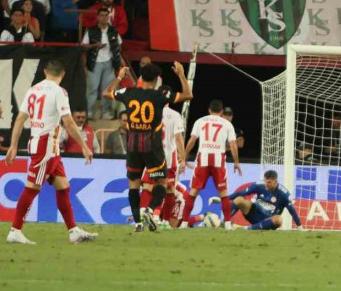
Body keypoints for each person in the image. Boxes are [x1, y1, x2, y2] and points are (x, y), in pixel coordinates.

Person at [4, 60, 97, 244]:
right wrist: (85, 146)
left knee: (63, 186)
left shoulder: (33, 90)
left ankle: (73, 231)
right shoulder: (59, 92)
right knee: (32, 187)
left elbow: (20, 119)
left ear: (45, 71)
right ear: (62, 75)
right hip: (45, 146)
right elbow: (69, 122)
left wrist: (14, 146)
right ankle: (15, 230)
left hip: (47, 147)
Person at [104, 62, 192, 232]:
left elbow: (106, 93)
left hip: (133, 147)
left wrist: (120, 77)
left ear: (141, 78)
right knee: (162, 181)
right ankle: (150, 209)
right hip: (152, 147)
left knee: (134, 185)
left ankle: (138, 223)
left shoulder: (128, 92)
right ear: (157, 80)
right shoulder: (159, 96)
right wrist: (181, 74)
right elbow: (188, 95)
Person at [183, 100, 242, 230]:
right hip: (218, 160)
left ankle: (184, 223)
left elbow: (192, 140)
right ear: (221, 112)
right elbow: (233, 144)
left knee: (193, 191)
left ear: (209, 110)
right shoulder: (227, 124)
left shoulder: (200, 121)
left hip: (203, 158)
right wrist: (236, 162)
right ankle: (227, 224)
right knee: (223, 193)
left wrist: (184, 156)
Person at [140, 88, 186, 227]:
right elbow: (178, 138)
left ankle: (142, 214)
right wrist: (182, 158)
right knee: (170, 189)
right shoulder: (175, 115)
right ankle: (164, 220)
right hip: (169, 159)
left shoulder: (149, 111)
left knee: (148, 186)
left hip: (152, 156)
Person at [217, 170, 303, 231]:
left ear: (275, 182)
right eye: (265, 181)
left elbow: (292, 211)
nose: (266, 184)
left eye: (269, 182)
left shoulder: (284, 194)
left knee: (279, 219)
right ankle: (225, 222)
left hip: (268, 221)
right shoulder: (259, 185)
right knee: (239, 199)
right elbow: (242, 193)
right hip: (253, 213)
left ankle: (246, 229)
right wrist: (223, 199)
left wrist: (300, 227)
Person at [82, 8, 122, 120]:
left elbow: (119, 45)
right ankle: (89, 112)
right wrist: (95, 46)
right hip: (95, 63)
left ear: (108, 16)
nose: (104, 17)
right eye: (102, 15)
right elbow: (84, 46)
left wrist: (118, 60)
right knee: (92, 89)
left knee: (107, 89)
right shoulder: (91, 30)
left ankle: (106, 112)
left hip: (109, 63)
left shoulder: (113, 30)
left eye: (106, 15)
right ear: (98, 17)